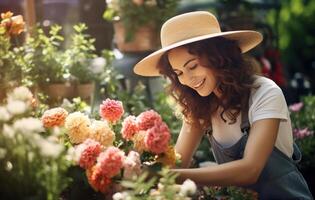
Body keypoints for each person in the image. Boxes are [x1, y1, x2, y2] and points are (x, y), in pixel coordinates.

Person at [133, 11, 313, 199]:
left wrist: (170, 176)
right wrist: (136, 164)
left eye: (193, 66)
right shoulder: (200, 106)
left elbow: (250, 169)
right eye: (179, 73)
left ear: (218, 57)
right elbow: (176, 163)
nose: (187, 79)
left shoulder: (265, 93)